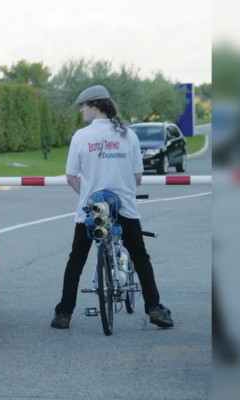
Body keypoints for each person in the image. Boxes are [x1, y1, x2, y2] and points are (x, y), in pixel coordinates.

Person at [51, 85, 174, 329]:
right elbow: (138, 176)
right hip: (124, 208)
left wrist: (85, 194)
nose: (82, 111)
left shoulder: (81, 136)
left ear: (95, 105)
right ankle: (154, 307)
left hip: (92, 209)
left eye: (83, 106)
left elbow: (71, 176)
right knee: (140, 256)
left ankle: (64, 313)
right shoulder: (128, 135)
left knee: (76, 259)